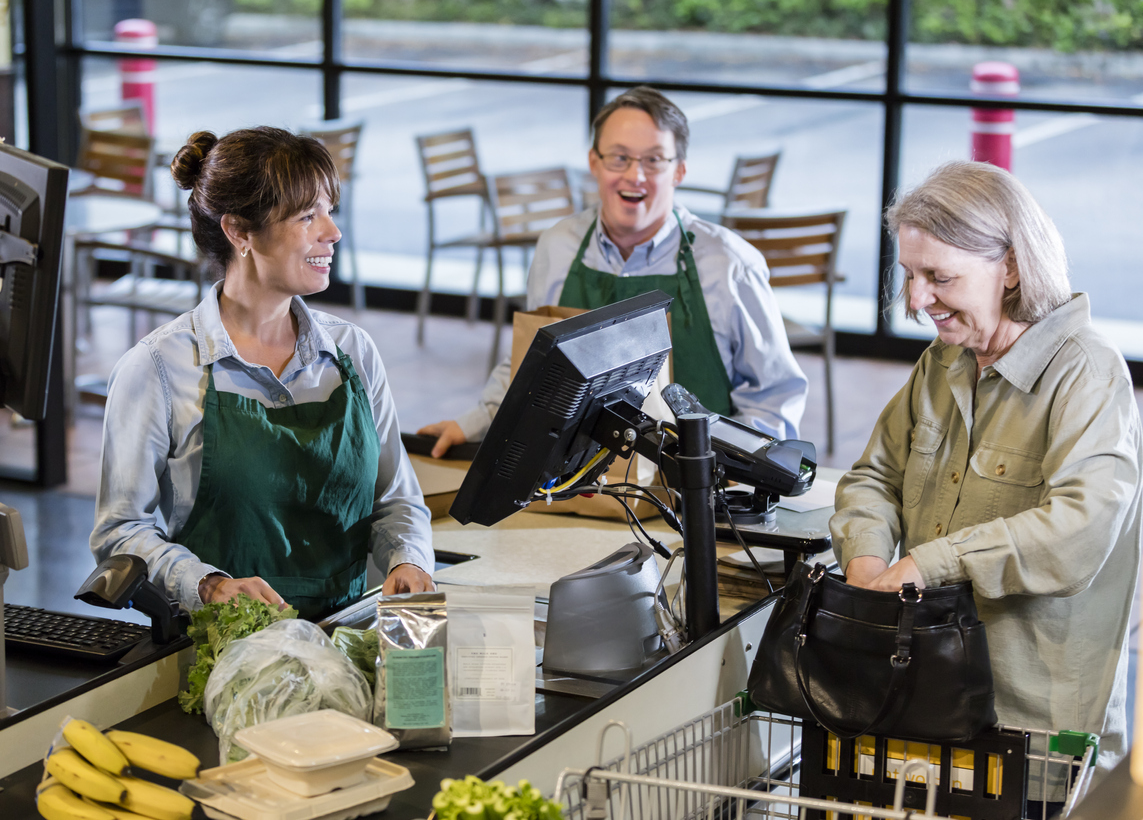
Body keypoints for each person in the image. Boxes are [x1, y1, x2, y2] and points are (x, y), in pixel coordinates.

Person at [831, 160, 1141, 777]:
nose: (917, 301)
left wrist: (930, 563)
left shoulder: (1089, 374)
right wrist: (867, 562)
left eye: (939, 277)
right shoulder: (942, 366)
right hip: (927, 688)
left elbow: (1080, 529)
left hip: (1031, 724)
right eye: (910, 275)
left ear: (1012, 268)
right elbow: (873, 476)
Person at [90, 127, 435, 619]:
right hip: (222, 656)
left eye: (329, 210)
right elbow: (119, 530)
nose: (332, 232)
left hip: (347, 638)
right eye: (307, 215)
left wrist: (409, 560)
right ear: (239, 232)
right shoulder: (157, 369)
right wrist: (206, 584)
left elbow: (397, 501)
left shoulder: (352, 352)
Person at [419, 86, 807, 456]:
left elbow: (773, 398)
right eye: (619, 157)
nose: (635, 176)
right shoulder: (559, 248)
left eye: (654, 159)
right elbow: (530, 366)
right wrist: (474, 423)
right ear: (594, 163)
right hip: (577, 487)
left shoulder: (729, 264)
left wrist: (737, 469)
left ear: (679, 171)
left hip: (696, 495)